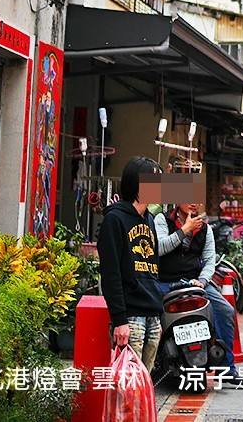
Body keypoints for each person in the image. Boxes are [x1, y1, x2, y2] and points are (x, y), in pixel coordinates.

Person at [153, 202, 243, 387]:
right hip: (164, 282)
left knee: (226, 310)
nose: (192, 201)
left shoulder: (205, 228)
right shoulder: (162, 220)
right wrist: (185, 230)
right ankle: (153, 364)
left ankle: (226, 368)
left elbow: (210, 260)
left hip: (194, 282)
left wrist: (202, 281)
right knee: (150, 314)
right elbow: (159, 248)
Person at [97, 156, 164, 371]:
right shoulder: (115, 219)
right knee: (127, 385)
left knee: (144, 384)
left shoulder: (150, 220)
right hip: (131, 316)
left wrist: (158, 315)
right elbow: (110, 274)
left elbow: (153, 268)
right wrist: (119, 320)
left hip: (152, 314)